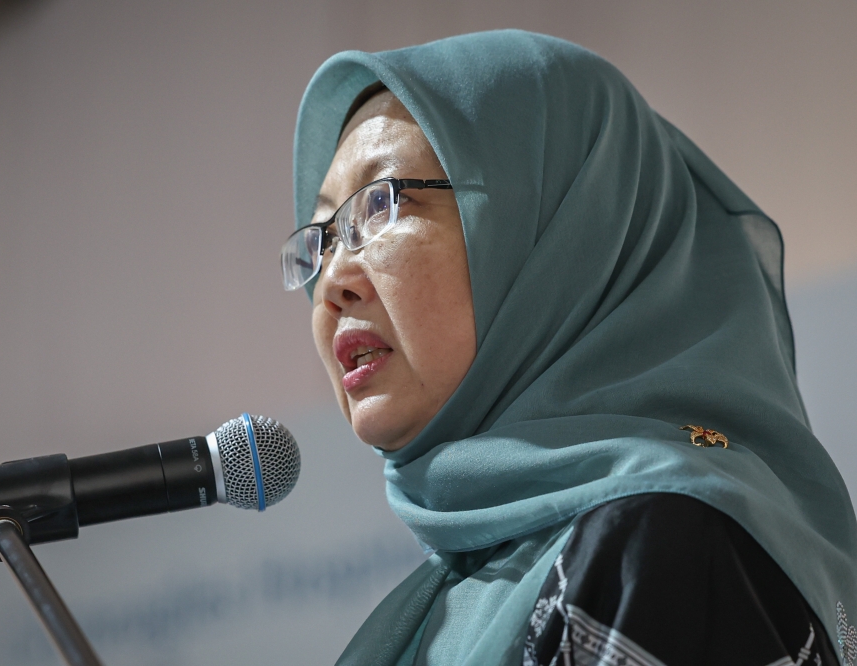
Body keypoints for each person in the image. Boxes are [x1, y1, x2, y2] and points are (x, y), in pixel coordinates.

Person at [281, 30, 857, 666]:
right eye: (322, 238)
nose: (331, 282)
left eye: (380, 204)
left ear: (560, 231)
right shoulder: (451, 598)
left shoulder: (656, 552)